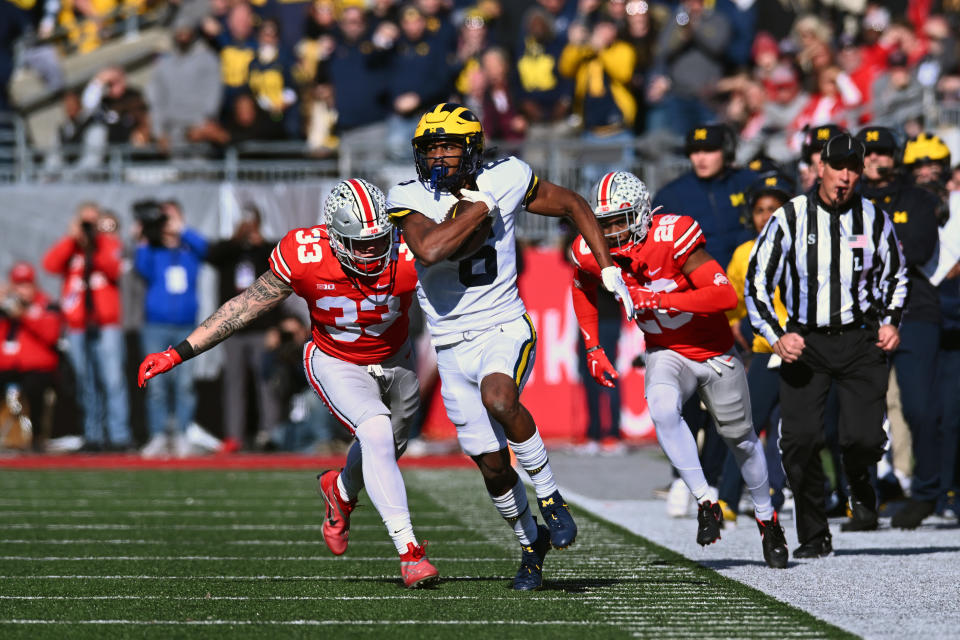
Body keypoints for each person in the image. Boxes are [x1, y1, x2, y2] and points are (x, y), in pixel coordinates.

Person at [138, 178, 439, 589]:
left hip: (396, 357)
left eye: (378, 240)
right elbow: (243, 308)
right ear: (334, 237)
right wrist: (179, 352)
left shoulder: (409, 249)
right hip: (335, 359)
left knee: (387, 446)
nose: (372, 252)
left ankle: (341, 490)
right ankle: (410, 553)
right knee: (376, 433)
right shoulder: (305, 253)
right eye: (360, 243)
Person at [387, 103, 635, 590]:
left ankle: (551, 497)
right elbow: (431, 249)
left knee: (500, 399)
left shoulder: (508, 174)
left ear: (473, 148)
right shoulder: (407, 194)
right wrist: (483, 205)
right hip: (449, 342)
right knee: (493, 466)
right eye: (431, 147)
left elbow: (573, 205)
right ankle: (530, 545)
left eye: (449, 147)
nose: (439, 157)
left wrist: (607, 268)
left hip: (503, 324)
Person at [571, 170, 788, 569]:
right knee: (662, 407)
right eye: (605, 224)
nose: (612, 231)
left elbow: (723, 293)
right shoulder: (591, 250)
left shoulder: (672, 235)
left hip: (714, 351)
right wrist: (593, 347)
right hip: (666, 351)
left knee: (740, 439)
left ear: (640, 214)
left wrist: (657, 300)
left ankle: (766, 517)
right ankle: (706, 499)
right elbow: (582, 286)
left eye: (620, 221)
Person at [746, 133, 908, 558]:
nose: (846, 176)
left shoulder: (874, 218)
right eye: (839, 167)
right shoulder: (790, 217)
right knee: (798, 442)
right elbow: (756, 282)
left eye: (854, 168)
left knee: (864, 439)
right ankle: (815, 534)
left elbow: (897, 276)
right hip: (806, 341)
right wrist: (777, 335)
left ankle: (859, 481)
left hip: (860, 339)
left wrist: (891, 321)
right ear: (820, 168)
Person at [855, 126, 943, 529]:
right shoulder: (848, 201)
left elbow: (919, 249)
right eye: (868, 152)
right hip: (861, 315)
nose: (876, 158)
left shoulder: (919, 199)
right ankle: (865, 500)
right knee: (860, 413)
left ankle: (925, 493)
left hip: (915, 312)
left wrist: (867, 252)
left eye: (884, 152)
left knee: (920, 408)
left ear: (897, 156)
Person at [718, 172, 795, 523]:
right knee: (747, 425)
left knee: (795, 429)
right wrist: (735, 321)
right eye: (761, 209)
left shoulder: (802, 246)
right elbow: (730, 293)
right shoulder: (745, 252)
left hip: (803, 349)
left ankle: (779, 494)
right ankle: (729, 497)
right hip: (767, 350)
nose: (766, 216)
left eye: (774, 208)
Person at [43, 202, 132, 452]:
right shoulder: (72, 250)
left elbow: (114, 269)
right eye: (85, 222)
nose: (89, 228)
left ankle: (119, 436)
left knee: (113, 380)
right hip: (78, 326)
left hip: (106, 325)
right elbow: (49, 265)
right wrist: (72, 240)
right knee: (86, 381)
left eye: (93, 223)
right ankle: (92, 434)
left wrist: (97, 243)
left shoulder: (108, 244)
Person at [134, 200, 209, 457]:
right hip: (156, 324)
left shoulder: (189, 248)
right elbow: (141, 269)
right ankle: (157, 435)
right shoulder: (153, 249)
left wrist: (182, 228)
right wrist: (144, 236)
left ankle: (182, 434)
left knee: (185, 384)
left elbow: (206, 249)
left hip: (187, 326)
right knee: (156, 385)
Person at [205, 205, 282, 452]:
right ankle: (234, 436)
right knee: (233, 384)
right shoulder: (230, 251)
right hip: (233, 329)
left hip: (261, 327)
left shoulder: (266, 251)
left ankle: (271, 434)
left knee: (266, 383)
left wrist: (275, 327)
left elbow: (281, 281)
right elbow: (211, 255)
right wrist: (238, 239)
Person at [0, 262, 62, 451]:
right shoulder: (5, 308)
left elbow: (51, 334)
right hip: (8, 366)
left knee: (35, 387)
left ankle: (36, 437)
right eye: (18, 285)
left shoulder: (46, 304)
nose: (22, 291)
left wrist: (24, 315)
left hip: (37, 368)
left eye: (26, 285)